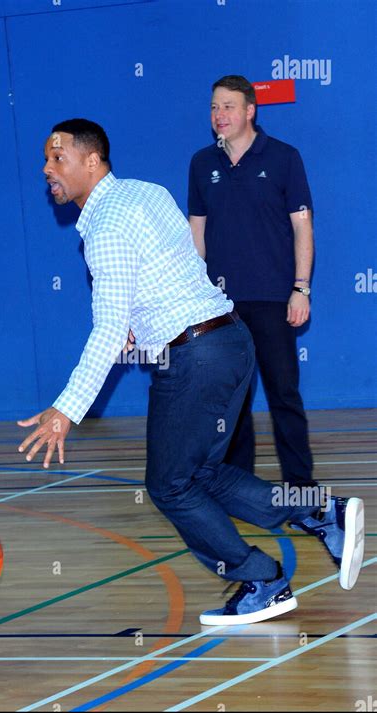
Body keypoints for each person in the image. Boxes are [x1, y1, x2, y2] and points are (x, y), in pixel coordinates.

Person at [17, 118, 364, 625]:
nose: (47, 169)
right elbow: (173, 266)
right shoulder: (146, 194)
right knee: (198, 475)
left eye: (58, 157)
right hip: (229, 340)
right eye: (45, 159)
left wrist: (65, 411)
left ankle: (261, 580)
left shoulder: (106, 226)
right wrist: (137, 321)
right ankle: (317, 510)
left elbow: (108, 329)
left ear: (92, 161)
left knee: (169, 486)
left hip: (194, 357)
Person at [189, 74, 316, 488]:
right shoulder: (201, 163)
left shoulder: (283, 157)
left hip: (274, 300)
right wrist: (193, 296)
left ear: (250, 110)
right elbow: (196, 234)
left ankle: (301, 487)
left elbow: (302, 227)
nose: (218, 114)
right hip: (220, 306)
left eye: (227, 106)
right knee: (231, 402)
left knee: (283, 396)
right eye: (213, 107)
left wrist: (300, 288)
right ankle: (238, 485)